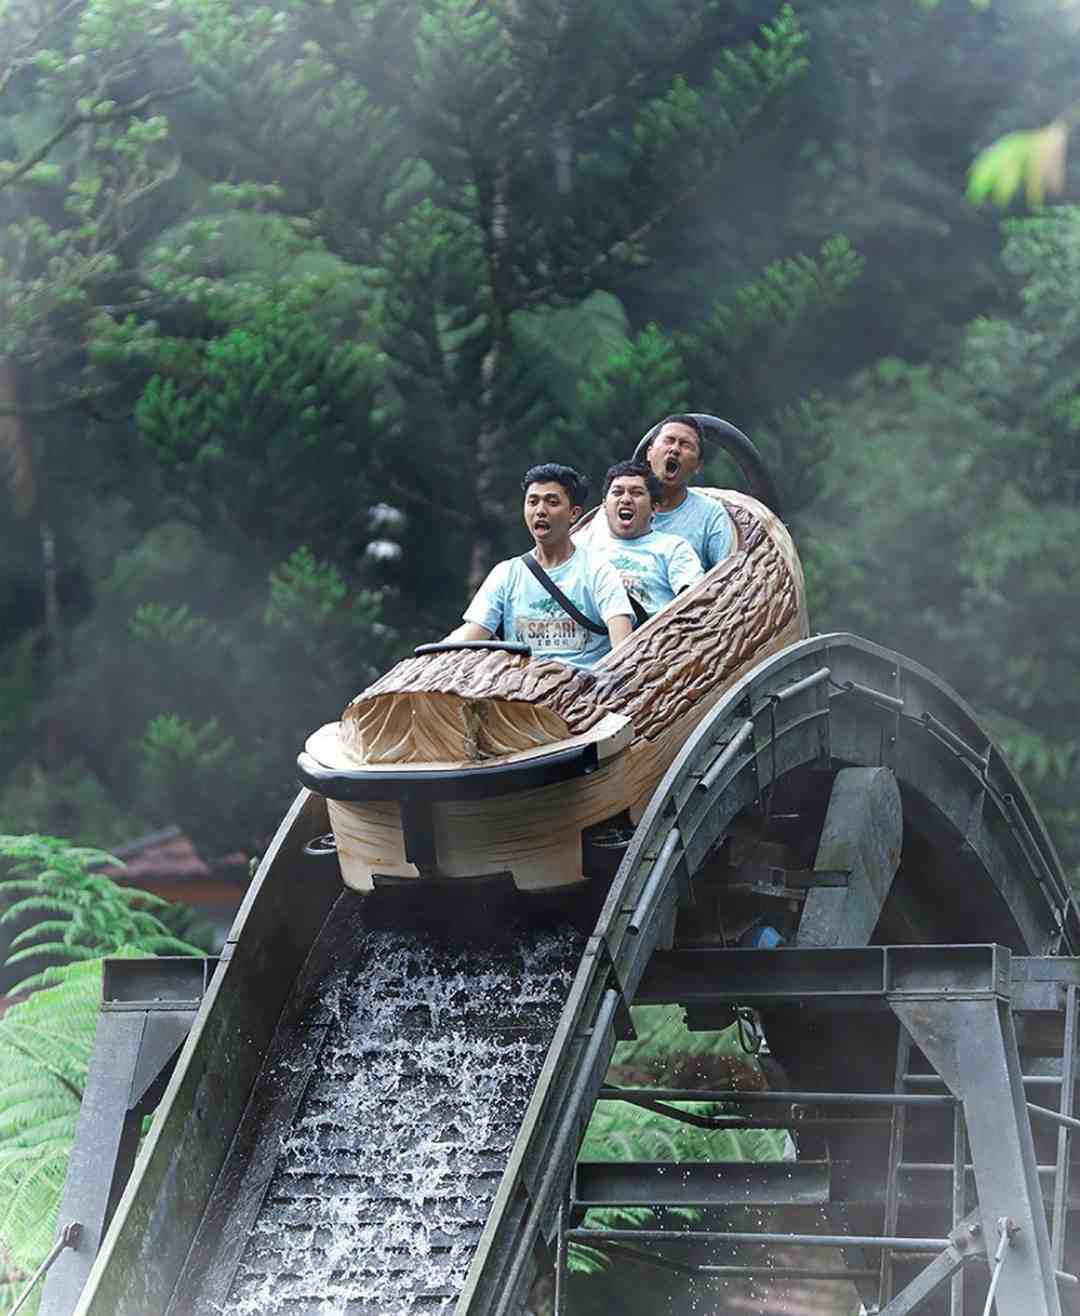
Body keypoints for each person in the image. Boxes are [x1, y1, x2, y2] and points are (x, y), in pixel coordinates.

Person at [448, 463, 633, 668]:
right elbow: (471, 638)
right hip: (519, 685)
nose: (540, 511)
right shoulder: (507, 574)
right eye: (533, 502)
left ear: (574, 513)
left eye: (552, 502)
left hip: (585, 685)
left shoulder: (598, 571)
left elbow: (622, 649)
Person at [589, 461, 703, 619]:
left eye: (636, 493)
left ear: (654, 508)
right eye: (617, 492)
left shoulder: (673, 548)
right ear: (604, 506)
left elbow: (694, 600)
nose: (625, 499)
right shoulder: (585, 550)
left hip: (656, 631)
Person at [644, 414, 734, 569]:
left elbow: (728, 572)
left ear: (698, 465)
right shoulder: (622, 505)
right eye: (668, 440)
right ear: (649, 453)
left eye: (686, 445)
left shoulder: (710, 514)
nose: (674, 449)